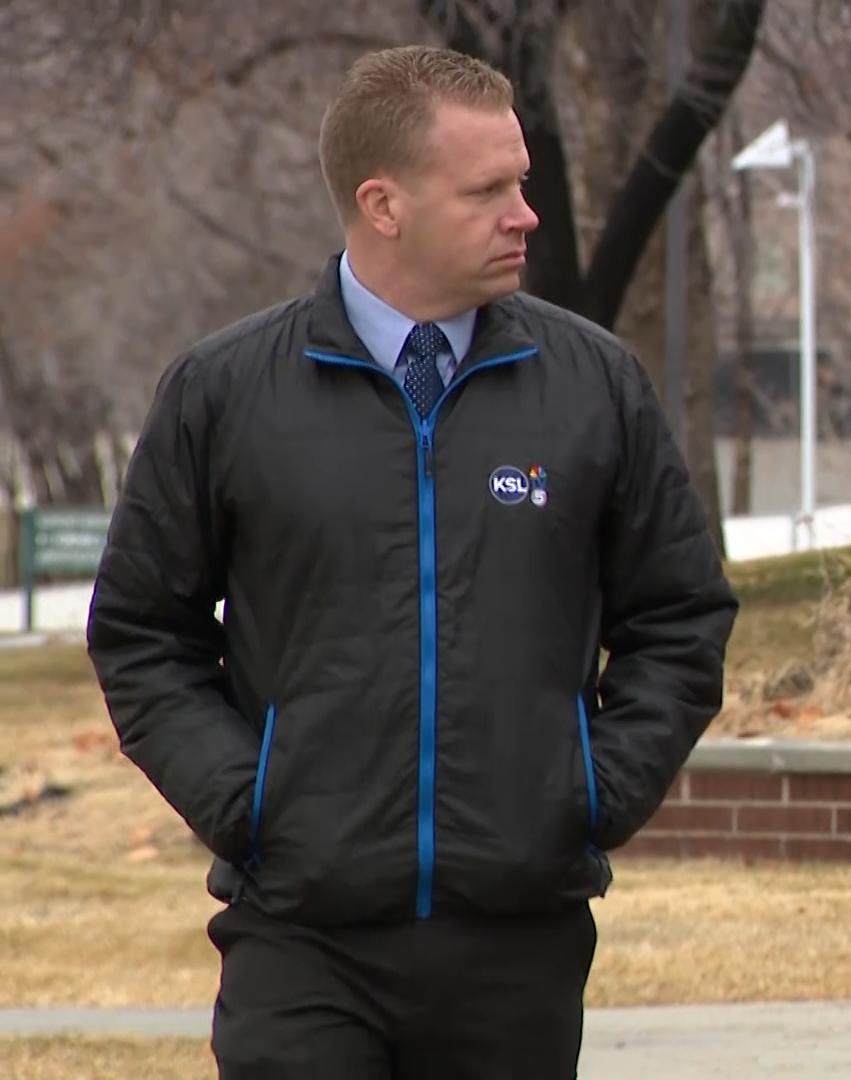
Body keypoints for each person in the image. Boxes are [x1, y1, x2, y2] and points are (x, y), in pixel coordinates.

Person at [85, 45, 736, 1078]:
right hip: (300, 941)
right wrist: (252, 800)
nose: (527, 212)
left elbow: (682, 618)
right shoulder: (224, 392)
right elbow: (140, 634)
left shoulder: (594, 385)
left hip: (519, 946)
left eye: (522, 181)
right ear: (383, 205)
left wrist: (583, 791)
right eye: (490, 190)